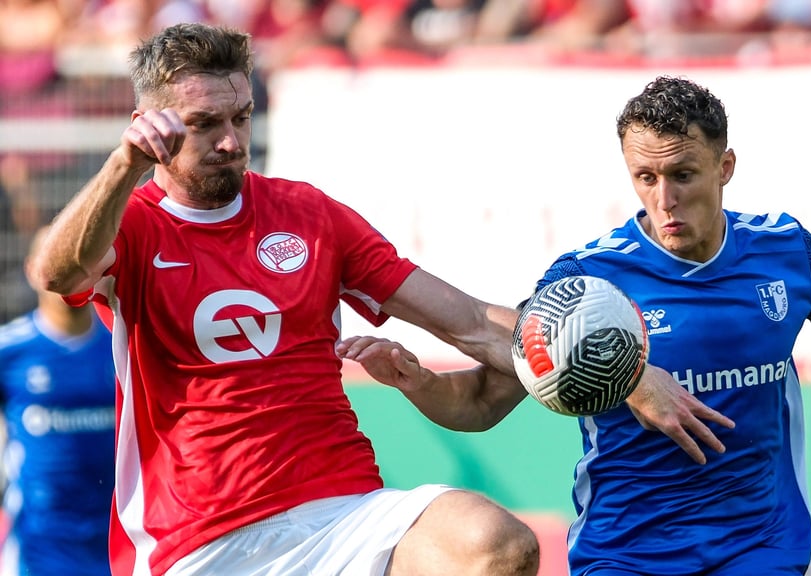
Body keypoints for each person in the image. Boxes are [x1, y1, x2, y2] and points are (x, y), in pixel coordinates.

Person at [26, 23, 729, 576]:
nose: (232, 141)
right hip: (201, 542)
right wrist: (121, 166)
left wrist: (624, 374)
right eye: (205, 125)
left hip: (343, 508)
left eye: (240, 116)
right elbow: (58, 274)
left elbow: (471, 325)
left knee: (496, 545)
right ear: (152, 126)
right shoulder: (136, 224)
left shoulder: (308, 214)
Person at [339, 75, 811, 575]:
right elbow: (486, 403)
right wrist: (418, 383)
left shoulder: (788, 254)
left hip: (759, 546)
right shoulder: (584, 287)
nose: (665, 200)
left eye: (684, 175)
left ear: (725, 168)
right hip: (625, 552)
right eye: (645, 178)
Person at [0, 226, 116, 576]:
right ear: (33, 270)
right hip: (41, 548)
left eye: (79, 262)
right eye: (58, 262)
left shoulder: (123, 345)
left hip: (121, 542)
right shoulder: (10, 350)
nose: (69, 274)